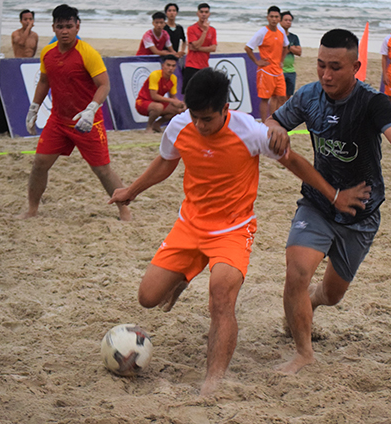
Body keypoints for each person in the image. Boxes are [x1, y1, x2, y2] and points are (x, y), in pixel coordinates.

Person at [108, 68, 370, 396]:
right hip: (189, 226)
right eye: (195, 118)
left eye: (207, 119)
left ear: (224, 110)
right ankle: (186, 272)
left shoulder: (250, 132)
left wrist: (333, 195)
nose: (200, 126)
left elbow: (295, 163)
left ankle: (213, 379)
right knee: (148, 298)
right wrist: (132, 190)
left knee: (221, 297)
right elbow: (166, 161)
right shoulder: (179, 125)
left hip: (233, 230)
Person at [265, 29, 391, 374]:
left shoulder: (371, 101)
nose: (326, 75)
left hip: (361, 213)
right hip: (318, 203)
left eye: (336, 67)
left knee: (331, 295)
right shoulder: (309, 96)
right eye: (321, 65)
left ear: (356, 66)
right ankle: (303, 352)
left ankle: (309, 304)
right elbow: (273, 120)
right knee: (296, 273)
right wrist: (275, 127)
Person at [20, 4, 131, 222]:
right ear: (53, 27)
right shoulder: (47, 53)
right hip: (59, 121)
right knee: (39, 163)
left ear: (77, 26)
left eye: (69, 26)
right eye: (60, 27)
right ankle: (32, 209)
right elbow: (44, 81)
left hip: (87, 122)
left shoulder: (87, 53)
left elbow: (104, 85)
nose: (64, 31)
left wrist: (91, 109)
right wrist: (34, 108)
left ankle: (124, 211)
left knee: (103, 171)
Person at [244, 6, 289, 122]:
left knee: (281, 97)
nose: (274, 19)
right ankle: (264, 123)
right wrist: (257, 61)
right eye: (272, 17)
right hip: (266, 70)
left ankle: (276, 120)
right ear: (267, 18)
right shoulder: (262, 32)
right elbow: (248, 48)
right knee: (265, 98)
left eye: (276, 17)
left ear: (279, 18)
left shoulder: (281, 31)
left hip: (278, 70)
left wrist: (281, 61)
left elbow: (286, 46)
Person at [135, 54, 186, 133]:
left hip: (158, 103)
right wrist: (172, 101)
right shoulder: (155, 75)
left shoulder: (173, 78)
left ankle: (157, 124)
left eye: (173, 66)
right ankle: (149, 127)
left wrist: (180, 103)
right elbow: (154, 96)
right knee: (158, 107)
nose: (170, 68)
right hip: (142, 102)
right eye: (168, 65)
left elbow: (173, 97)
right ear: (163, 66)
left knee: (178, 109)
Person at [183, 3, 217, 94]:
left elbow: (213, 48)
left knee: (204, 94)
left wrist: (197, 48)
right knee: (189, 93)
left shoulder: (213, 30)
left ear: (209, 14)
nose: (204, 14)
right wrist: (205, 31)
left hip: (204, 66)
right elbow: (196, 44)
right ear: (197, 13)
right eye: (201, 12)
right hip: (192, 65)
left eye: (206, 12)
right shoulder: (192, 29)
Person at [280, 11, 302, 101]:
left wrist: (288, 47)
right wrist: (291, 48)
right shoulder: (277, 36)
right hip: (279, 70)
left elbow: (299, 52)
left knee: (288, 96)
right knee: (279, 96)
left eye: (290, 20)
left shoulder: (294, 37)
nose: (288, 22)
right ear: (280, 21)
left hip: (291, 70)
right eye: (286, 20)